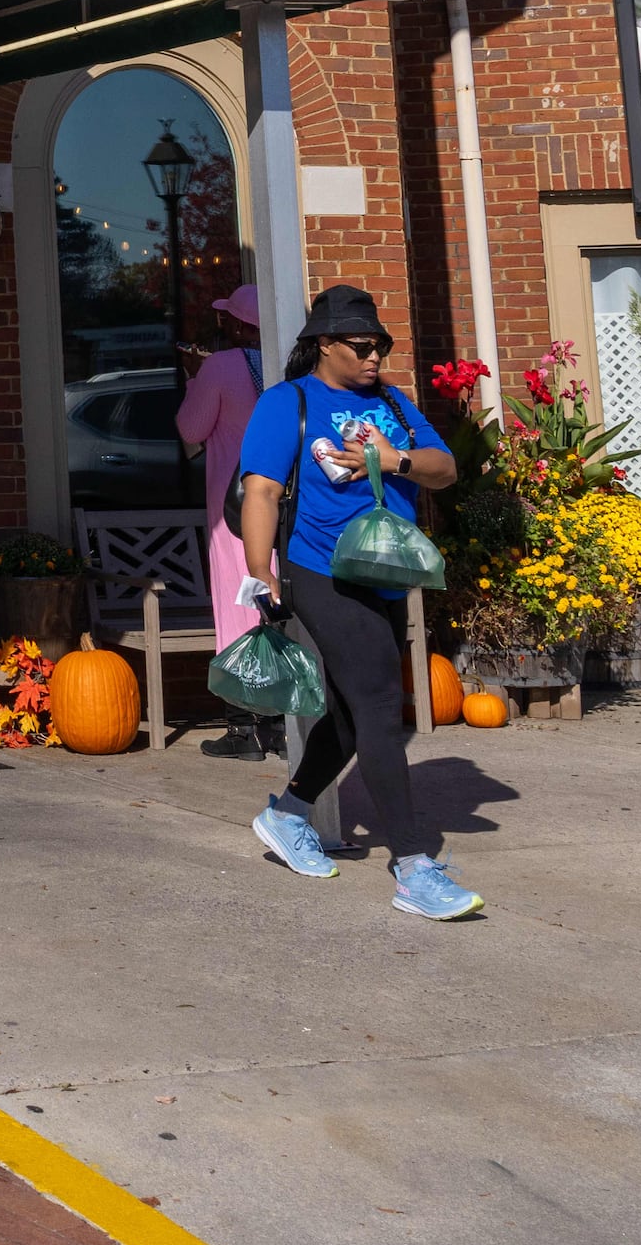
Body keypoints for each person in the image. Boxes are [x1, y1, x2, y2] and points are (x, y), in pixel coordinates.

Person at [235, 285, 483, 920]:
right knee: (378, 702)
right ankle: (412, 867)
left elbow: (445, 468)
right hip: (319, 569)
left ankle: (287, 815)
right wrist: (260, 570)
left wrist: (392, 457)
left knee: (350, 713)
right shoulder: (287, 402)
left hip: (386, 571)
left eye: (380, 345)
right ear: (325, 345)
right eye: (361, 345)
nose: (375, 356)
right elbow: (260, 491)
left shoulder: (393, 402)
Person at [174, 284, 269, 760]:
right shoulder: (286, 368)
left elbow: (191, 429)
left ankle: (241, 728)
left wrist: (195, 377)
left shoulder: (220, 366)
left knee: (237, 607)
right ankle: (276, 725)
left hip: (232, 511)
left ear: (236, 325)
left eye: (228, 319)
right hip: (280, 506)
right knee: (273, 605)